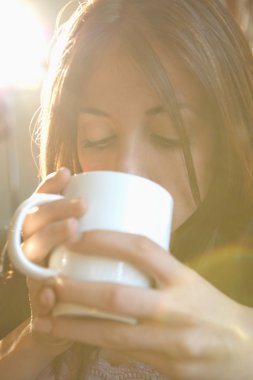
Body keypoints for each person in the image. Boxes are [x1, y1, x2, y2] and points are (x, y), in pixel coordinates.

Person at [1, 0, 253, 379]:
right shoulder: (37, 260)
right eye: (98, 138)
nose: (128, 168)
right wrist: (39, 338)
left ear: (224, 139)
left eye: (170, 136)